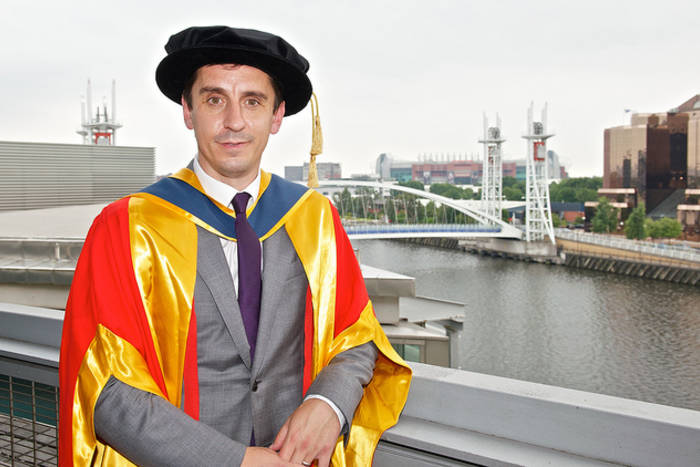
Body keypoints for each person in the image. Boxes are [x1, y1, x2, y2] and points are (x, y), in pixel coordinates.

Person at [58, 26, 411, 467]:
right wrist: (235, 461)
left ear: (277, 116)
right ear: (188, 111)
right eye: (214, 100)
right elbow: (108, 387)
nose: (234, 122)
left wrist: (329, 404)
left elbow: (357, 338)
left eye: (253, 101)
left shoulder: (314, 218)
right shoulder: (129, 227)